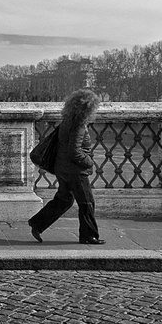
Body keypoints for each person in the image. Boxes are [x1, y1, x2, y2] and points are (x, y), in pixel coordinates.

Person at [28, 89, 105, 245]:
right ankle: (89, 236)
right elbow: (75, 152)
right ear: (87, 108)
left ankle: (38, 222)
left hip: (62, 168)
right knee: (87, 203)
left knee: (64, 199)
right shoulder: (79, 125)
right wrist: (89, 162)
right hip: (75, 171)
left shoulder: (67, 120)